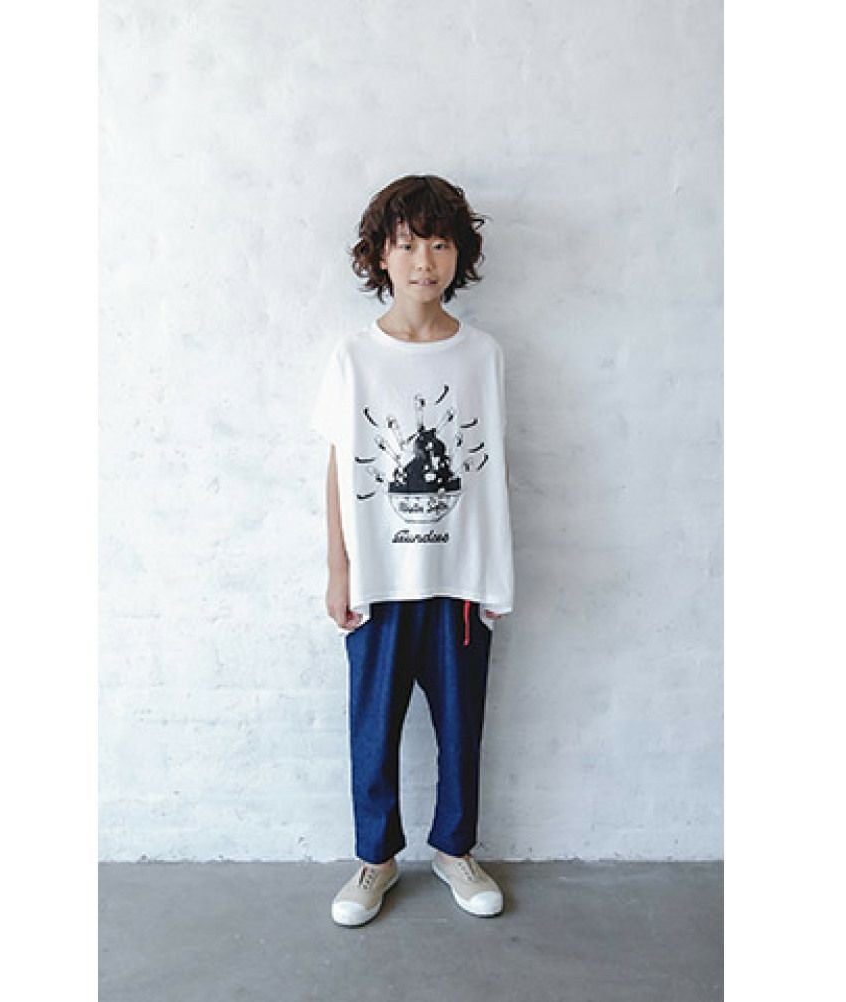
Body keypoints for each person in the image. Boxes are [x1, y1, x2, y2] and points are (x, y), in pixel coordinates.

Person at [309, 174, 514, 927]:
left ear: (459, 255)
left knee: (461, 726)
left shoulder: (481, 355)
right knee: (373, 727)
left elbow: (491, 471)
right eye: (406, 244)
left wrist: (496, 574)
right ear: (380, 256)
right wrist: (339, 569)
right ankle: (376, 858)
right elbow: (339, 465)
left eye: (438, 243)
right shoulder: (354, 356)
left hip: (458, 582)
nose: (423, 261)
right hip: (381, 582)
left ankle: (455, 850)